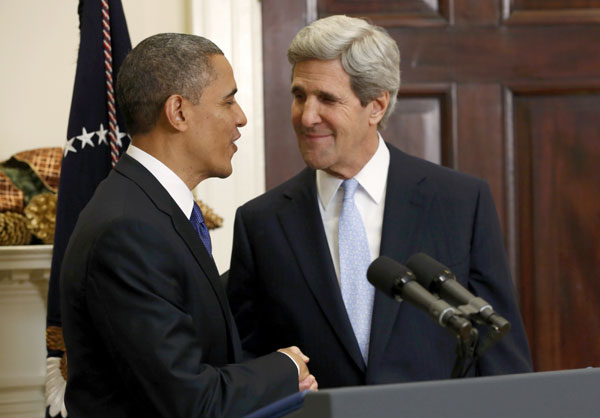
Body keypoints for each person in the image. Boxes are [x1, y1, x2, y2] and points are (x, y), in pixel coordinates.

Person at [227, 15, 533, 389]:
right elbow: (242, 363)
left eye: (327, 99)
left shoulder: (460, 202)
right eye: (299, 95)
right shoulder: (261, 222)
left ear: (376, 105)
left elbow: (501, 354)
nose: (307, 116)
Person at [60, 33, 316, 418]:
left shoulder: (152, 210)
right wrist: (285, 367)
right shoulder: (128, 229)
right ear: (178, 112)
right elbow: (190, 402)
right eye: (228, 100)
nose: (241, 117)